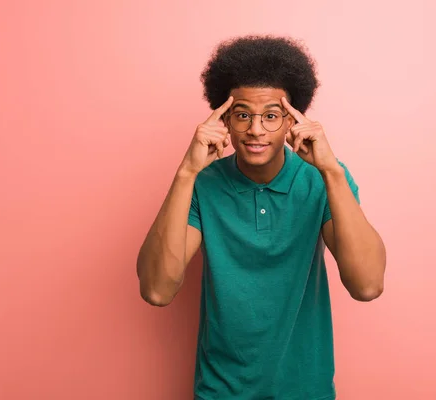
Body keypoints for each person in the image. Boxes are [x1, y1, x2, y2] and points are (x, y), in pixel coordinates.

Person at [137, 35, 386, 400]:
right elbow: (157, 289)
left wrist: (331, 171)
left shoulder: (323, 179)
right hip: (220, 392)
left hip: (306, 391)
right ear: (224, 119)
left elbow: (367, 285)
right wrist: (185, 174)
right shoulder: (201, 185)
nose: (255, 130)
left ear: (292, 120)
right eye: (243, 115)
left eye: (271, 116)